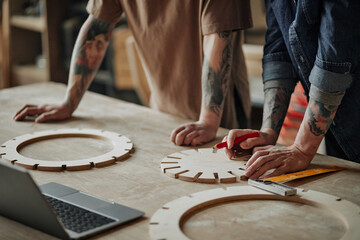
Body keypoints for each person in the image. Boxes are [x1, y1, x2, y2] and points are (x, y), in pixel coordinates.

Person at [13, 0, 252, 147]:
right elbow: (97, 28)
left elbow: (217, 40)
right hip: (163, 113)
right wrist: (69, 103)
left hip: (219, 121)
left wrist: (208, 121)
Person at [224, 0, 360, 179]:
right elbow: (278, 50)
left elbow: (334, 60)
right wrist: (268, 131)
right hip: (338, 131)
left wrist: (302, 149)